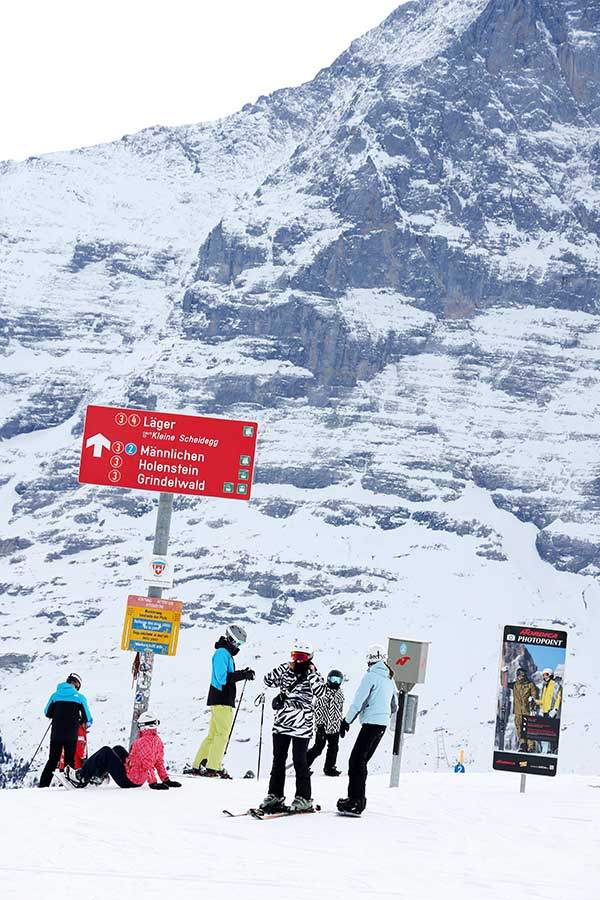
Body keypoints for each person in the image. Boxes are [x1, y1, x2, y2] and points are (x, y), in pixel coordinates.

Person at [259, 640, 326, 813]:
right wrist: (284, 667)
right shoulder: (286, 671)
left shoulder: (314, 675)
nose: (297, 661)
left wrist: (311, 673)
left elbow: (321, 692)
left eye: (302, 657)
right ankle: (275, 795)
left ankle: (303, 797)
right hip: (282, 722)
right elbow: (267, 680)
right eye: (295, 656)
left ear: (309, 658)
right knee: (278, 760)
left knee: (300, 761)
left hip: (302, 725)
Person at [337, 645, 397, 816]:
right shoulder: (389, 678)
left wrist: (346, 721)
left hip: (371, 724)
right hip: (382, 725)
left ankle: (355, 802)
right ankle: (358, 800)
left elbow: (358, 702)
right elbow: (395, 706)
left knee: (355, 761)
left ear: (369, 660)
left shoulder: (370, 676)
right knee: (361, 761)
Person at [191, 624, 254, 778]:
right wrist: (242, 675)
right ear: (231, 639)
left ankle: (199, 765)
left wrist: (242, 673)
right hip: (222, 699)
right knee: (222, 734)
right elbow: (222, 678)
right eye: (238, 643)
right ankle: (213, 766)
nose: (238, 646)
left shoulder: (225, 653)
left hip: (220, 699)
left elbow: (226, 676)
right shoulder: (221, 653)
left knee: (213, 734)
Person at [65, 711, 180, 789]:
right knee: (117, 749)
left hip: (129, 781)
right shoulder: (157, 740)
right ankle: (97, 776)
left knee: (106, 751)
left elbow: (148, 765)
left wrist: (153, 783)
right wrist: (166, 780)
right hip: (137, 776)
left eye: (139, 726)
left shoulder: (141, 742)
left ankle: (81, 777)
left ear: (144, 726)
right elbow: (159, 762)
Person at [39, 672, 93, 788]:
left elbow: (47, 713)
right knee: (69, 760)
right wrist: (79, 721)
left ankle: (43, 785)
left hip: (56, 733)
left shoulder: (55, 695)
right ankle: (70, 784)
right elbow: (88, 718)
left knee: (52, 760)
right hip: (71, 733)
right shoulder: (79, 697)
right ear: (77, 684)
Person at [307, 669, 345, 776]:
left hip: (335, 727)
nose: (335, 682)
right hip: (323, 727)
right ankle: (303, 765)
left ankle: (329, 767)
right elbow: (318, 710)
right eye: (333, 679)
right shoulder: (323, 693)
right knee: (318, 748)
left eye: (338, 680)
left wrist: (341, 724)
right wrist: (320, 726)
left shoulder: (340, 694)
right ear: (328, 679)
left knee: (334, 748)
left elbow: (339, 710)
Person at [534, 667, 562, 753]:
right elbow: (543, 701)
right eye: (543, 675)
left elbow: (558, 698)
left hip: (551, 712)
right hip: (545, 712)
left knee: (551, 731)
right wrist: (535, 701)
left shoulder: (555, 685)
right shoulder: (545, 686)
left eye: (546, 674)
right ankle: (546, 749)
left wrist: (555, 709)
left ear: (550, 675)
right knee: (545, 731)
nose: (544, 676)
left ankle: (553, 749)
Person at [510, 667, 538, 752]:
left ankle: (531, 747)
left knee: (529, 728)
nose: (519, 677)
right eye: (518, 675)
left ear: (524, 676)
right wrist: (504, 673)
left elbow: (534, 696)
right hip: (518, 711)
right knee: (519, 728)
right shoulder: (515, 685)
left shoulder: (530, 685)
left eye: (521, 675)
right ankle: (523, 745)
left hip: (527, 711)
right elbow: (503, 684)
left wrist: (532, 702)